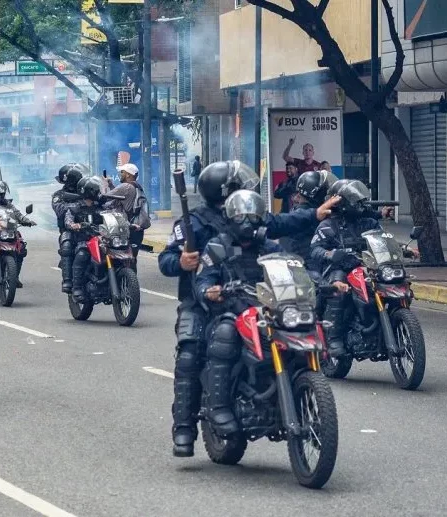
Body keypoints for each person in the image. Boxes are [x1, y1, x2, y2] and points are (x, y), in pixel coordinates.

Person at [158, 160, 338, 458]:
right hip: (202, 301)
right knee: (191, 354)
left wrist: (314, 217)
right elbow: (168, 260)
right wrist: (180, 263)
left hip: (251, 300)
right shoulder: (196, 223)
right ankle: (186, 428)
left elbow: (281, 226)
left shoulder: (252, 219)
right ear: (223, 192)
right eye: (238, 184)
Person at [195, 190, 283, 437]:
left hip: (268, 312)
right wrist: (208, 290)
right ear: (230, 218)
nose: (248, 222)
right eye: (242, 217)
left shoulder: (269, 247)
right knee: (225, 333)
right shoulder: (217, 247)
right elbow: (203, 279)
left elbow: (293, 269)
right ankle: (219, 406)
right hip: (230, 312)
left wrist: (317, 281)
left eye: (253, 217)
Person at [308, 180, 412, 358]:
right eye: (356, 201)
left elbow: (383, 240)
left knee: (398, 282)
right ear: (343, 203)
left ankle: (393, 324)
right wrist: (330, 254)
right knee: (339, 291)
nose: (360, 205)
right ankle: (334, 339)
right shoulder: (328, 225)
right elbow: (315, 249)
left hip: (368, 265)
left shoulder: (369, 223)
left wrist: (403, 249)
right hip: (340, 268)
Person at [66, 176, 109, 302]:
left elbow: (113, 215)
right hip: (84, 240)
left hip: (102, 240)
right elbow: (68, 220)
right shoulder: (75, 208)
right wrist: (75, 225)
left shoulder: (101, 207)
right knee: (82, 255)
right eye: (98, 189)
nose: (99, 192)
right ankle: (77, 287)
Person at [105, 163, 150, 266]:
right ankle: (131, 280)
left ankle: (127, 280)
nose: (120, 174)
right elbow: (120, 195)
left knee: (123, 259)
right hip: (138, 229)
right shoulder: (136, 186)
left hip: (129, 228)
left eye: (122, 172)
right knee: (132, 259)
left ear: (128, 175)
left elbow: (106, 197)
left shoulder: (125, 186)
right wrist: (110, 184)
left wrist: (102, 188)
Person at [53, 163, 86, 292]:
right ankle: (67, 280)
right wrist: (77, 205)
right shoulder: (59, 195)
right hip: (69, 230)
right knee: (66, 244)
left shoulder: (86, 191)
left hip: (88, 228)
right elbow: (59, 209)